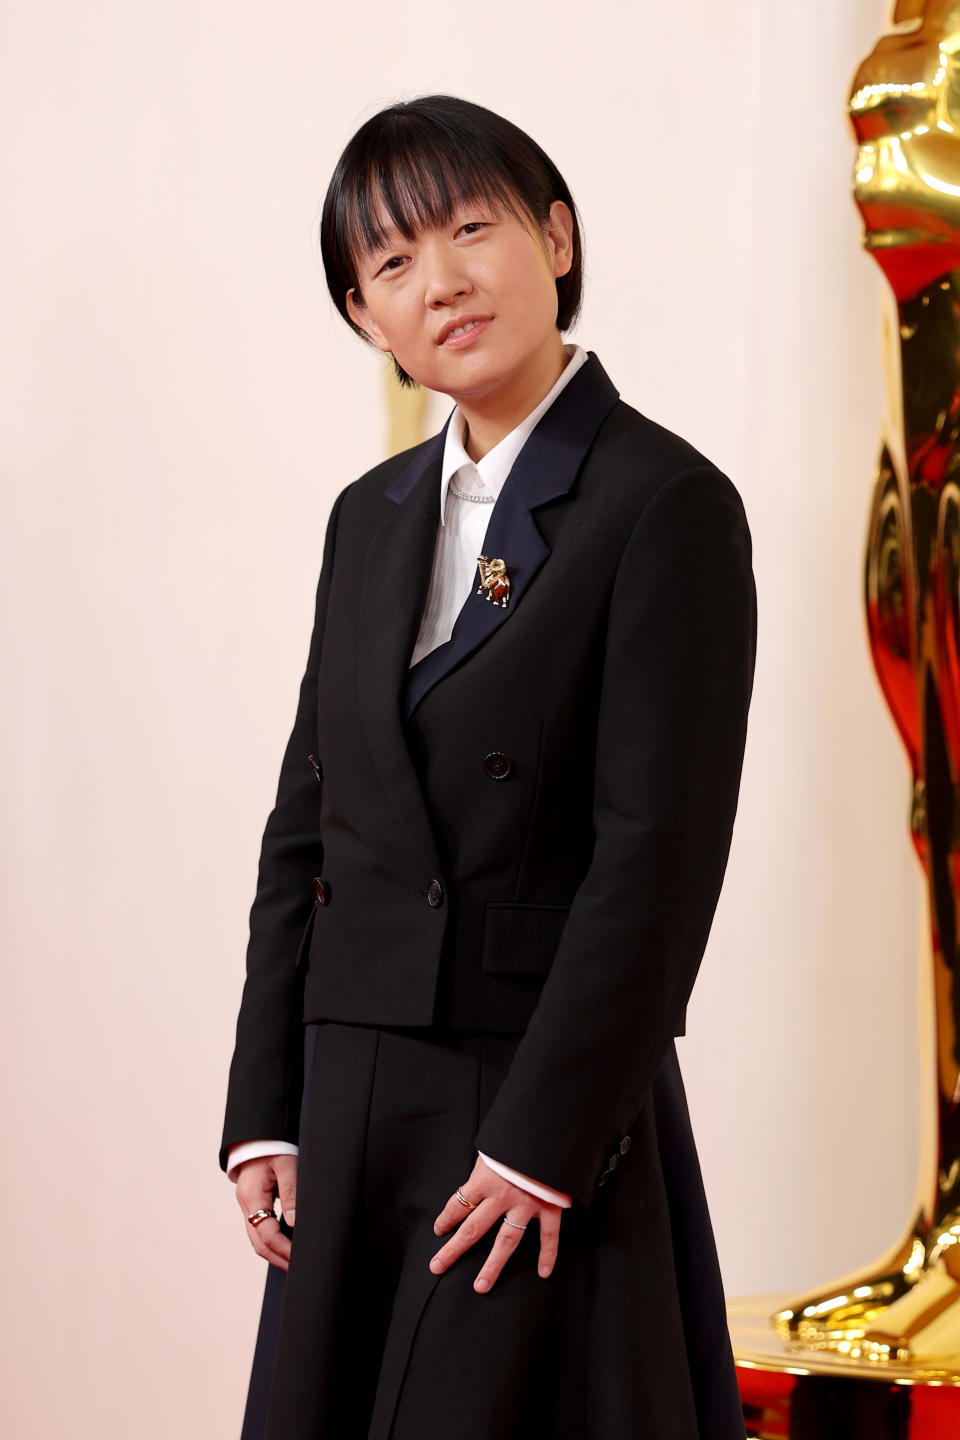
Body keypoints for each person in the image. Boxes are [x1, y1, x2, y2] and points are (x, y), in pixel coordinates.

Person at [220, 93, 757, 1440]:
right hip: (349, 1100)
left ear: (557, 238)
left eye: (473, 230)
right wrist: (263, 1108)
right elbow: (310, 822)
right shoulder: (369, 515)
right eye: (392, 263)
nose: (442, 282)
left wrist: (542, 1144)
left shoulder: (663, 503)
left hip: (529, 1105)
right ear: (363, 316)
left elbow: (657, 861)